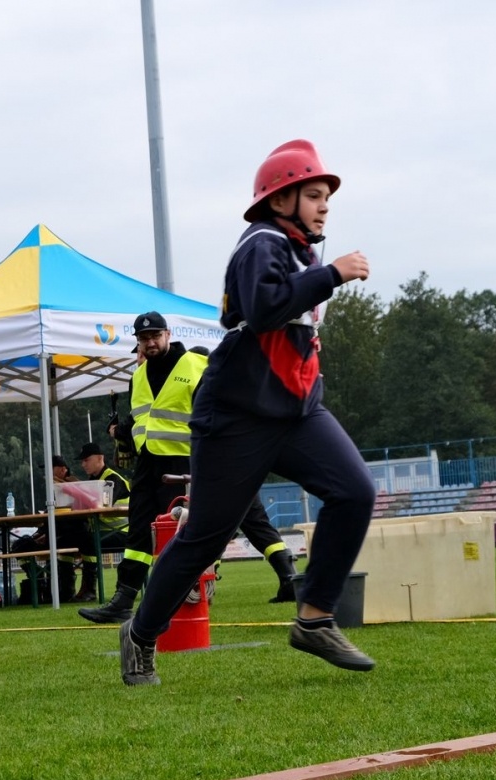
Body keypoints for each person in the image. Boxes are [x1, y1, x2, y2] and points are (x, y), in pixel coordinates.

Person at [118, 139, 379, 685]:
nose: (325, 204)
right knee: (206, 538)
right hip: (237, 416)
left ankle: (314, 617)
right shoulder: (260, 244)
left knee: (356, 491)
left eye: (326, 195)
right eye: (313, 194)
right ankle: (141, 633)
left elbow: (290, 334)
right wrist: (332, 273)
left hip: (296, 412)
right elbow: (261, 312)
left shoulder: (297, 251)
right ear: (280, 201)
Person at [79, 312, 302, 625]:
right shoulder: (138, 377)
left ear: (168, 334)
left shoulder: (197, 366)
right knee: (141, 530)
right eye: (144, 338)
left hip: (187, 463)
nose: (150, 342)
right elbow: (144, 420)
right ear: (138, 343)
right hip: (149, 463)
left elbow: (217, 413)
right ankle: (124, 598)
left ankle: (184, 595)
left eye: (155, 336)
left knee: (185, 532)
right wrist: (125, 436)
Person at [69, 443, 131, 602]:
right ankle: (64, 590)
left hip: (123, 533)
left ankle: (89, 590)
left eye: (86, 460)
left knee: (86, 540)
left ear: (100, 458)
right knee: (69, 536)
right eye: (82, 461)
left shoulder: (113, 480)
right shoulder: (93, 481)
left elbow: (102, 506)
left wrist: (77, 492)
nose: (83, 464)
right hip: (105, 532)